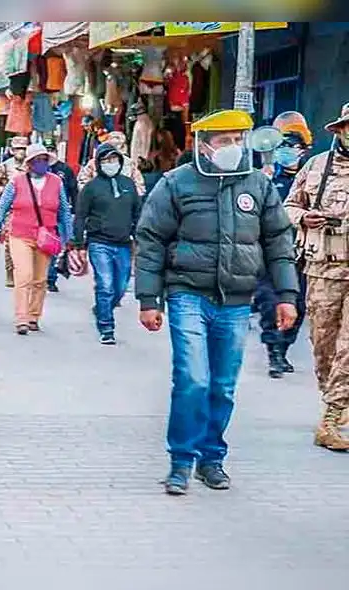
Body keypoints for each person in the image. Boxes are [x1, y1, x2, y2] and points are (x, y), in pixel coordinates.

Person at [135, 110, 298, 495]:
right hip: (187, 294)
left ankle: (212, 458)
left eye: (238, 140)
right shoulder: (176, 183)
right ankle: (180, 461)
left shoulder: (257, 184)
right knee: (192, 378)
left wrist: (286, 296)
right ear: (204, 145)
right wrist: (148, 298)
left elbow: (278, 241)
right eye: (224, 140)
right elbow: (150, 239)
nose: (233, 147)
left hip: (237, 301)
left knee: (223, 385)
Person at [283, 103, 349, 451]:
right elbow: (288, 206)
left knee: (348, 347)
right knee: (324, 345)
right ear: (339, 130)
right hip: (323, 268)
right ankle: (333, 402)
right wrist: (304, 217)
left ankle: (333, 417)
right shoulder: (316, 167)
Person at [0, 143, 72, 335]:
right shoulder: (16, 182)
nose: (41, 163)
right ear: (29, 163)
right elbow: (2, 208)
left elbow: (64, 211)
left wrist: (68, 237)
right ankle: (21, 319)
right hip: (20, 235)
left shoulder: (56, 182)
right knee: (24, 276)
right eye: (37, 160)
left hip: (46, 237)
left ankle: (34, 316)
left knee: (40, 280)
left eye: (44, 160)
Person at [256, 111, 311, 379]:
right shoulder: (264, 180)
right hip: (268, 255)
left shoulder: (313, 180)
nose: (289, 151)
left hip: (301, 254)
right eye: (284, 146)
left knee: (298, 306)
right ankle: (273, 352)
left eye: (295, 147)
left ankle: (285, 346)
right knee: (270, 303)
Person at [71, 142, 143, 345]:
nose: (110, 164)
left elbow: (138, 212)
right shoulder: (91, 188)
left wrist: (139, 236)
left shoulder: (129, 184)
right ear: (98, 163)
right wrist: (78, 243)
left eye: (114, 159)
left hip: (123, 243)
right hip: (99, 242)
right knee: (105, 284)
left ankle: (103, 307)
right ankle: (106, 326)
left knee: (120, 287)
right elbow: (80, 216)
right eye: (105, 160)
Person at [0, 135, 29, 289]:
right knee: (10, 243)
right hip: (12, 210)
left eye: (23, 149)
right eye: (18, 149)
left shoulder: (32, 166)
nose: (21, 152)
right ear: (12, 150)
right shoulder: (5, 166)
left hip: (30, 210)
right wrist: (6, 192)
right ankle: (10, 271)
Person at [43, 138, 79, 293]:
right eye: (47, 150)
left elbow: (73, 191)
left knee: (55, 247)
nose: (50, 153)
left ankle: (50, 278)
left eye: (52, 150)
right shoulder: (36, 170)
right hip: (40, 216)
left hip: (60, 216)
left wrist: (75, 212)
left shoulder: (65, 170)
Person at [77, 131, 146, 196]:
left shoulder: (129, 163)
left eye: (119, 145)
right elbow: (83, 181)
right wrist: (91, 197)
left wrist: (130, 198)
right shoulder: (94, 162)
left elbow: (139, 185)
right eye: (113, 145)